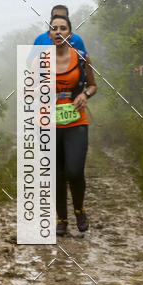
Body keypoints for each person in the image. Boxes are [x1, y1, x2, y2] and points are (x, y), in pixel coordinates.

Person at [50, 14, 97, 235]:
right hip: (49, 124)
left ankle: (79, 210)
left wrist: (84, 95)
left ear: (70, 34)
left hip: (77, 120)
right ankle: (62, 218)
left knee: (75, 171)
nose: (58, 32)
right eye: (54, 28)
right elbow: (27, 90)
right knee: (57, 174)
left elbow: (93, 85)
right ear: (49, 34)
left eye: (63, 28)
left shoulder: (81, 57)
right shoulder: (40, 61)